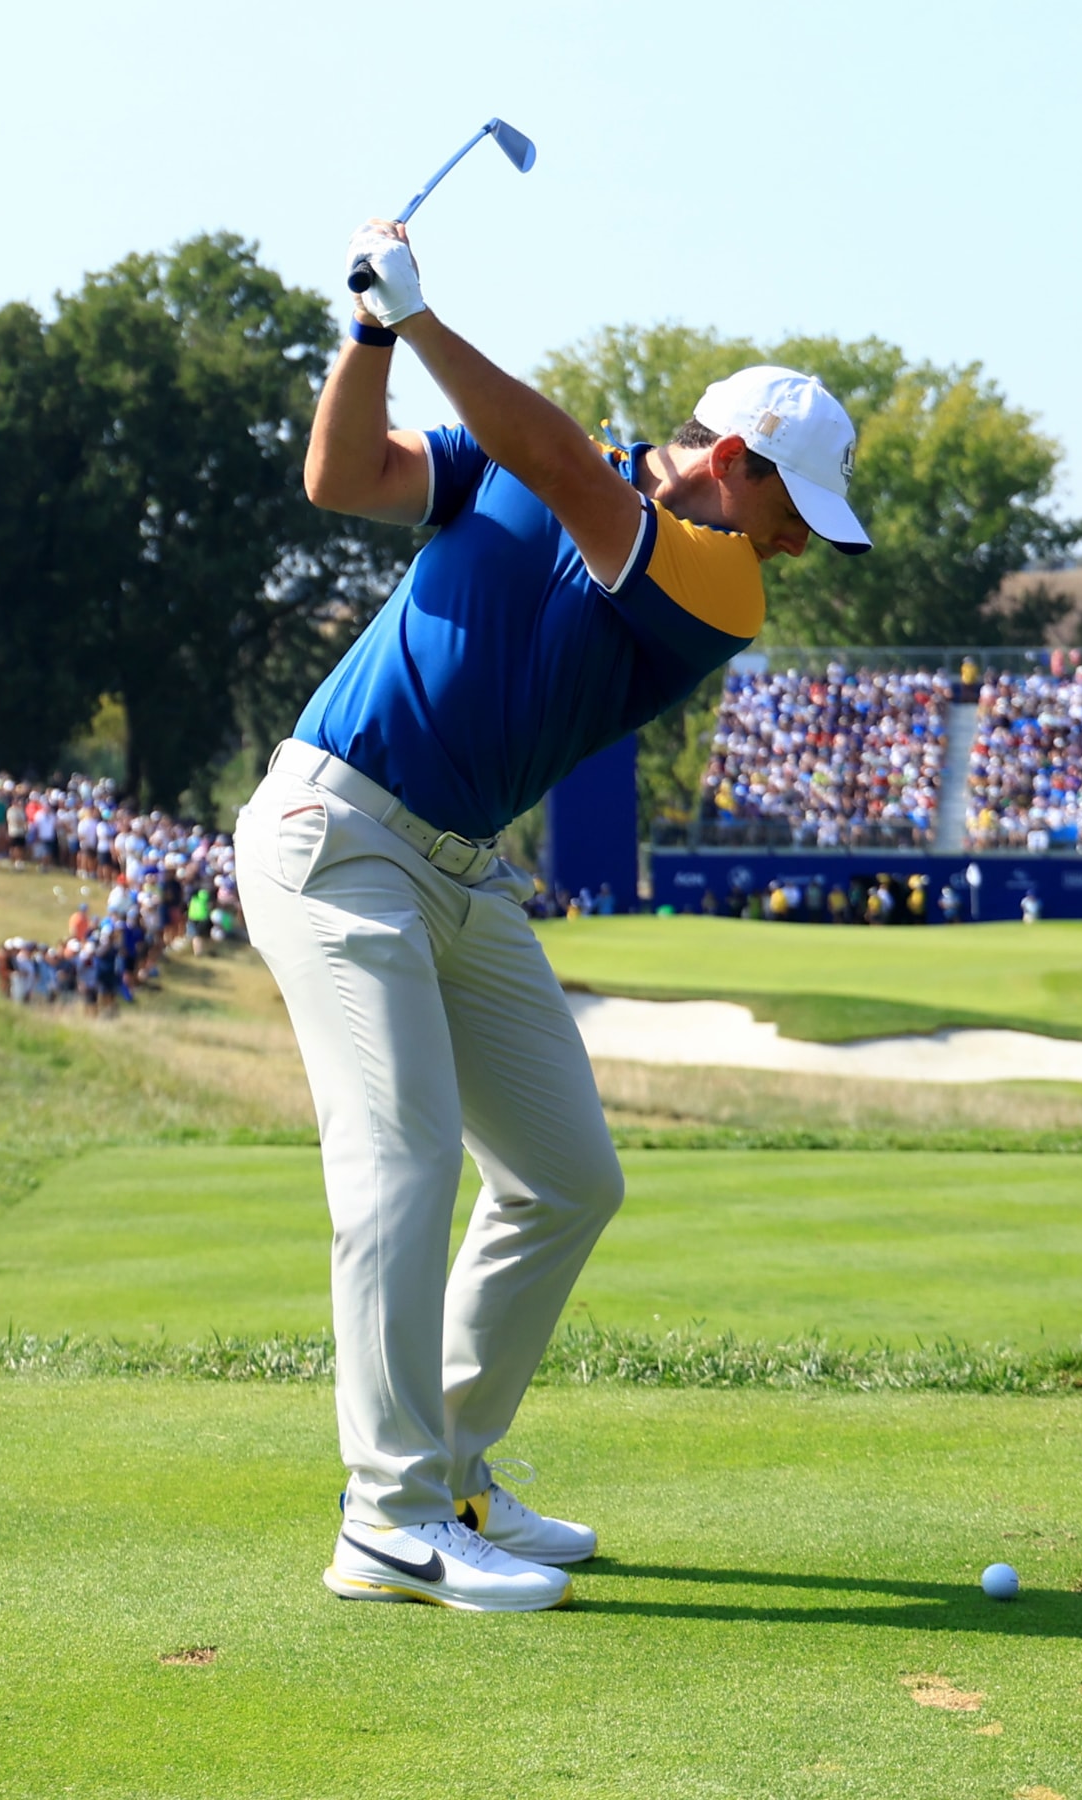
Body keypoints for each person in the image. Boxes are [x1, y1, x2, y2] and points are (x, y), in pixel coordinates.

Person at [239, 219, 866, 1614]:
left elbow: (569, 470)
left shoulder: (720, 584)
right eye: (789, 506)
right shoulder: (524, 466)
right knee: (399, 1160)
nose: (795, 544)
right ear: (732, 460)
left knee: (568, 1177)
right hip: (331, 835)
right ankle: (388, 1519)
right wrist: (366, 336)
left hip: (454, 870)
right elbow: (344, 474)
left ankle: (452, 1470)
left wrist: (421, 321)